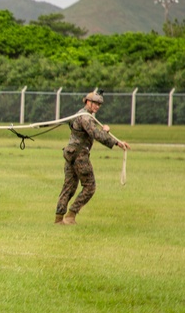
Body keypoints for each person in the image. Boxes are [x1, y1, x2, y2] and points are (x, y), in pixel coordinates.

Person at [55, 90, 131, 225]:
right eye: (95, 103)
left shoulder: (80, 114)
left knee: (69, 187)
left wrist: (115, 140)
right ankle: (70, 216)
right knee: (90, 186)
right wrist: (110, 137)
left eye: (99, 104)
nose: (97, 106)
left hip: (70, 153)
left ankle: (59, 219)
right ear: (87, 102)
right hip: (79, 155)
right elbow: (97, 135)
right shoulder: (86, 118)